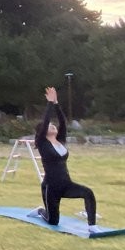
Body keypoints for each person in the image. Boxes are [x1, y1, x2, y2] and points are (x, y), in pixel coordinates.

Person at [35, 86, 99, 233]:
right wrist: (49, 104)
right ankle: (40, 211)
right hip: (51, 188)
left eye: (53, 125)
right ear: (43, 132)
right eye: (50, 126)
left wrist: (56, 104)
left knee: (88, 193)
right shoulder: (42, 143)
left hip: (66, 184)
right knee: (53, 221)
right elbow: (45, 122)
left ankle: (92, 226)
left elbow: (63, 122)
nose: (53, 126)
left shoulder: (60, 141)